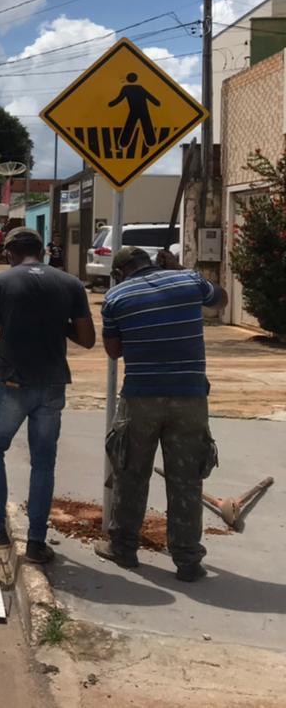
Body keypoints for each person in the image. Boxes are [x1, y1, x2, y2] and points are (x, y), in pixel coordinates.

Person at [95, 247, 227, 582]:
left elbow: (114, 351)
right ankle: (187, 560)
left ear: (122, 271)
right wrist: (181, 267)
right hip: (190, 397)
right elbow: (221, 299)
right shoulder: (188, 280)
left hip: (140, 397)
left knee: (130, 472)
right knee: (187, 480)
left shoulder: (115, 298)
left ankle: (124, 548)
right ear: (154, 262)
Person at [0, 226, 95, 562]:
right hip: (53, 384)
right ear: (42, 251)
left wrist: (8, 362)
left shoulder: (1, 282)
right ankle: (37, 542)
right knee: (43, 462)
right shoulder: (69, 283)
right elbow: (87, 339)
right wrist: (57, 321)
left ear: (11, 251)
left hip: (13, 381)